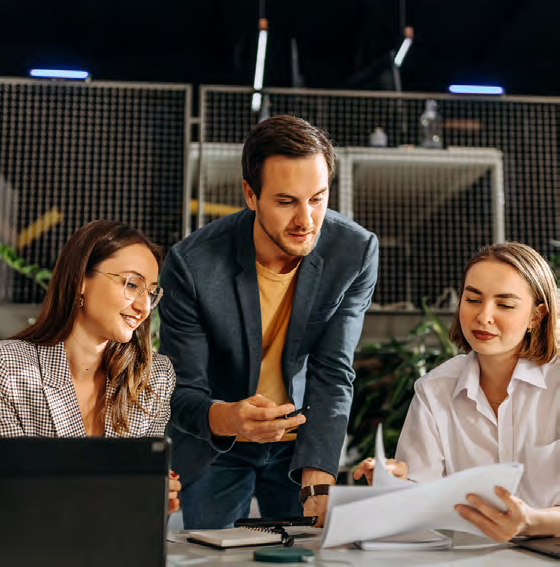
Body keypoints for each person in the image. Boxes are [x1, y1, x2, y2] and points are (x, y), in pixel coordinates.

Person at [159, 115, 379, 528]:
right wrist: (229, 418)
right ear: (250, 194)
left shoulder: (355, 251)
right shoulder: (192, 265)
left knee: (307, 554)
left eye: (317, 198)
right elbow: (183, 389)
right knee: (213, 559)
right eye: (285, 201)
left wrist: (317, 482)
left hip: (301, 443)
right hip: (217, 442)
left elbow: (333, 372)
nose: (306, 221)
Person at [354, 242, 560, 541]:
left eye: (504, 304)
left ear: (536, 316)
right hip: (468, 555)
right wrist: (396, 484)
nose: (483, 316)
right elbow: (422, 501)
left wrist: (531, 522)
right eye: (473, 299)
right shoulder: (434, 390)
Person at [0, 220, 181, 514]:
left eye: (150, 292)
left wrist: (155, 494)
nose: (144, 307)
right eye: (132, 284)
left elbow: (138, 502)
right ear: (80, 280)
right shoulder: (9, 368)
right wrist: (124, 489)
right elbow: (11, 492)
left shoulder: (154, 377)